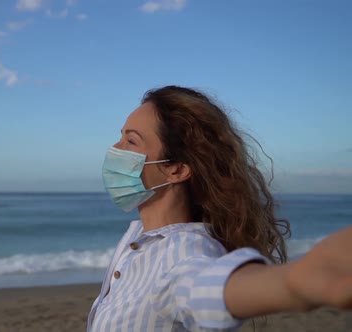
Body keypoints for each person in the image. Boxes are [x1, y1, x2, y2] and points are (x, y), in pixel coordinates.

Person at [88, 85, 352, 331]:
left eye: (131, 142)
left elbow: (205, 286)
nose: (115, 149)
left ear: (176, 170)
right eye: (120, 137)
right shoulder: (138, 240)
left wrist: (293, 283)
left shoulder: (183, 252)